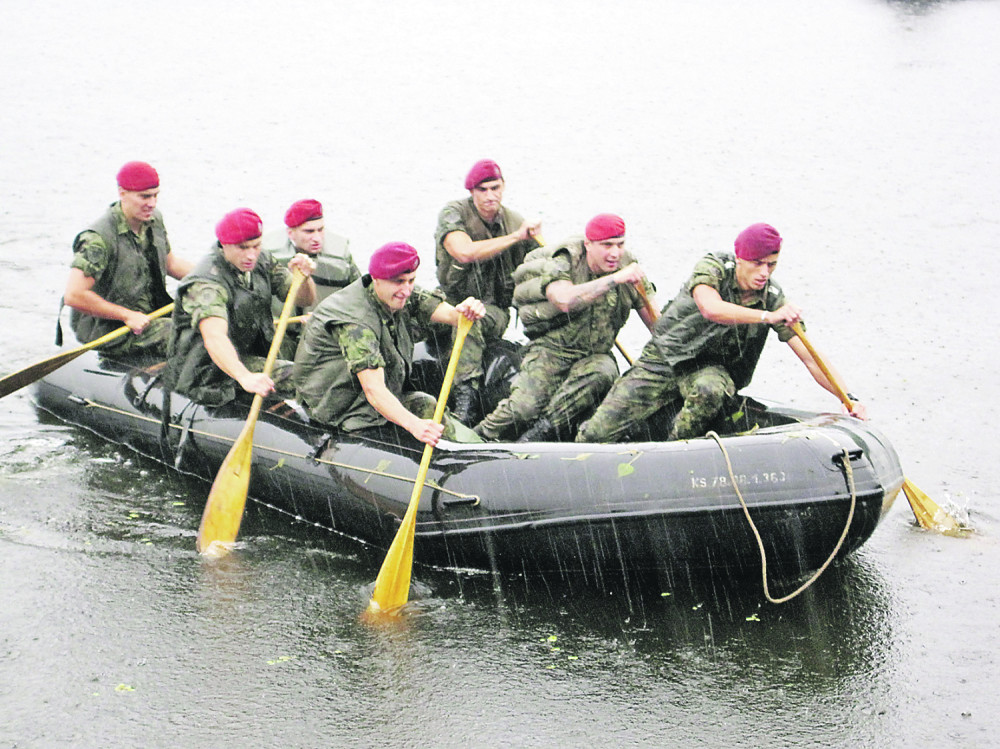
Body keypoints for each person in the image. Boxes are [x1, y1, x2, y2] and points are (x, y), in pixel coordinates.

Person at [576, 223, 868, 444]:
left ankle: (674, 449)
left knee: (710, 390)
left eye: (771, 265)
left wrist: (847, 397)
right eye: (757, 264)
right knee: (597, 432)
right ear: (740, 258)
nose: (764, 273)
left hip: (710, 369)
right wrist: (766, 317)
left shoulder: (773, 298)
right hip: (665, 359)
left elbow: (811, 358)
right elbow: (710, 308)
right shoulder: (714, 267)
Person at [474, 213, 657, 443]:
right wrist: (615, 279)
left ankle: (539, 435)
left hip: (595, 354)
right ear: (588, 244)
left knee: (604, 372)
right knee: (523, 407)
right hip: (552, 349)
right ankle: (476, 437)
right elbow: (563, 299)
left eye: (620, 245)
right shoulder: (566, 260)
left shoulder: (629, 268)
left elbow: (656, 324)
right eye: (607, 245)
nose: (614, 253)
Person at [293, 241, 485, 446]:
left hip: (364, 394)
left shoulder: (398, 294)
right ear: (377, 280)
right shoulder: (355, 323)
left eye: (411, 280)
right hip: (340, 406)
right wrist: (415, 425)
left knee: (426, 404)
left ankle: (479, 447)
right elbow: (374, 390)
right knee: (421, 407)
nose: (406, 289)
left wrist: (465, 311)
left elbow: (450, 315)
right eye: (399, 282)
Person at [165, 208, 316, 406]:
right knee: (303, 378)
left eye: (256, 246)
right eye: (243, 248)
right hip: (208, 369)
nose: (251, 255)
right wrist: (245, 377)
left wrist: (304, 278)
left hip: (249, 351)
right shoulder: (207, 285)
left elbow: (304, 299)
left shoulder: (261, 261)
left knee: (318, 367)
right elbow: (214, 337)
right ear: (225, 245)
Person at [434, 159, 541, 424]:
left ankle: (466, 398)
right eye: (483, 190)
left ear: (504, 187)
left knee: (469, 319)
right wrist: (516, 237)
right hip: (449, 299)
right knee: (414, 317)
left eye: (495, 188)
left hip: (491, 309)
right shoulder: (454, 213)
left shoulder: (514, 222)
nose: (490, 196)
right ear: (472, 192)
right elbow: (464, 251)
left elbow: (540, 268)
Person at [62, 161, 193, 357]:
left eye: (156, 195)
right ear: (122, 193)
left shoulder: (153, 220)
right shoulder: (97, 239)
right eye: (145, 197)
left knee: (208, 319)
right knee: (189, 337)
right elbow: (74, 295)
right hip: (110, 328)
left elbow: (170, 263)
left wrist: (208, 279)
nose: (152, 203)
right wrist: (127, 315)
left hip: (150, 315)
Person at [265, 198, 360, 357]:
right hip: (281, 336)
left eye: (321, 229)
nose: (317, 238)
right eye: (309, 231)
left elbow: (359, 294)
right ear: (291, 233)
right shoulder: (267, 256)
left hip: (326, 335)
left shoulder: (341, 256)